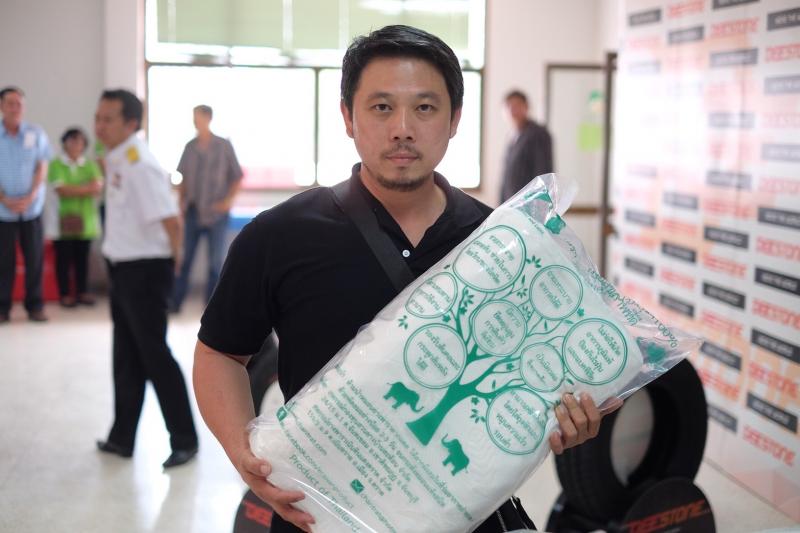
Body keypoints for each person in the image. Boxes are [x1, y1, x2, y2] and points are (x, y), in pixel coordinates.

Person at [193, 26, 621, 533]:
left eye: (424, 107)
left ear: (454, 119)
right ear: (347, 117)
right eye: (381, 107)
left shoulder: (505, 244)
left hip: (464, 515)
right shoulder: (280, 234)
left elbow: (537, 380)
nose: (402, 128)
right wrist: (242, 450)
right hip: (318, 514)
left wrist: (566, 418)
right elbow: (221, 353)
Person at [94, 89, 198, 468]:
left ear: (130, 123)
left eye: (108, 119)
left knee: (154, 356)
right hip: (123, 268)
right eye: (98, 117)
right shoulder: (118, 158)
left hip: (145, 270)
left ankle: (185, 439)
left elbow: (171, 221)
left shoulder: (140, 164)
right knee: (126, 356)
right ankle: (122, 437)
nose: (99, 126)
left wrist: (173, 264)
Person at [170, 104, 242, 313]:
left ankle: (212, 307)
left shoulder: (223, 146)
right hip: (193, 211)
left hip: (216, 213)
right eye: (194, 117)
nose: (195, 121)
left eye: (198, 117)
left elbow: (237, 177)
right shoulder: (189, 147)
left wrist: (227, 201)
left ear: (208, 118)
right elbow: (183, 179)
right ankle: (175, 303)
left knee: (215, 263)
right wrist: (181, 203)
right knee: (185, 260)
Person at [0, 86, 52, 323]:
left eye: (19, 103)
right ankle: (2, 308)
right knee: (4, 262)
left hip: (32, 209)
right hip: (3, 210)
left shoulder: (36, 133)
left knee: (34, 260)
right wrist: (4, 199)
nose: (16, 108)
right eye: (11, 103)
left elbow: (42, 166)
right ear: (2, 106)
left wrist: (31, 196)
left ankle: (35, 305)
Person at [48, 127, 103, 307]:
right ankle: (65, 294)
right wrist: (85, 188)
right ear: (64, 143)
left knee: (82, 260)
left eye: (79, 141)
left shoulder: (90, 165)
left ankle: (82, 292)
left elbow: (97, 188)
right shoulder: (56, 164)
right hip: (62, 220)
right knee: (63, 260)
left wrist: (74, 188)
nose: (75, 145)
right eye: (72, 140)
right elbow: (61, 190)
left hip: (86, 220)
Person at [499, 89, 553, 203]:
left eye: (516, 106)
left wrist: (538, 204)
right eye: (508, 106)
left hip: (528, 204)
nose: (512, 110)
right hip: (510, 203)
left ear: (526, 107)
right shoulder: (512, 135)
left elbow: (543, 173)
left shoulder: (538, 133)